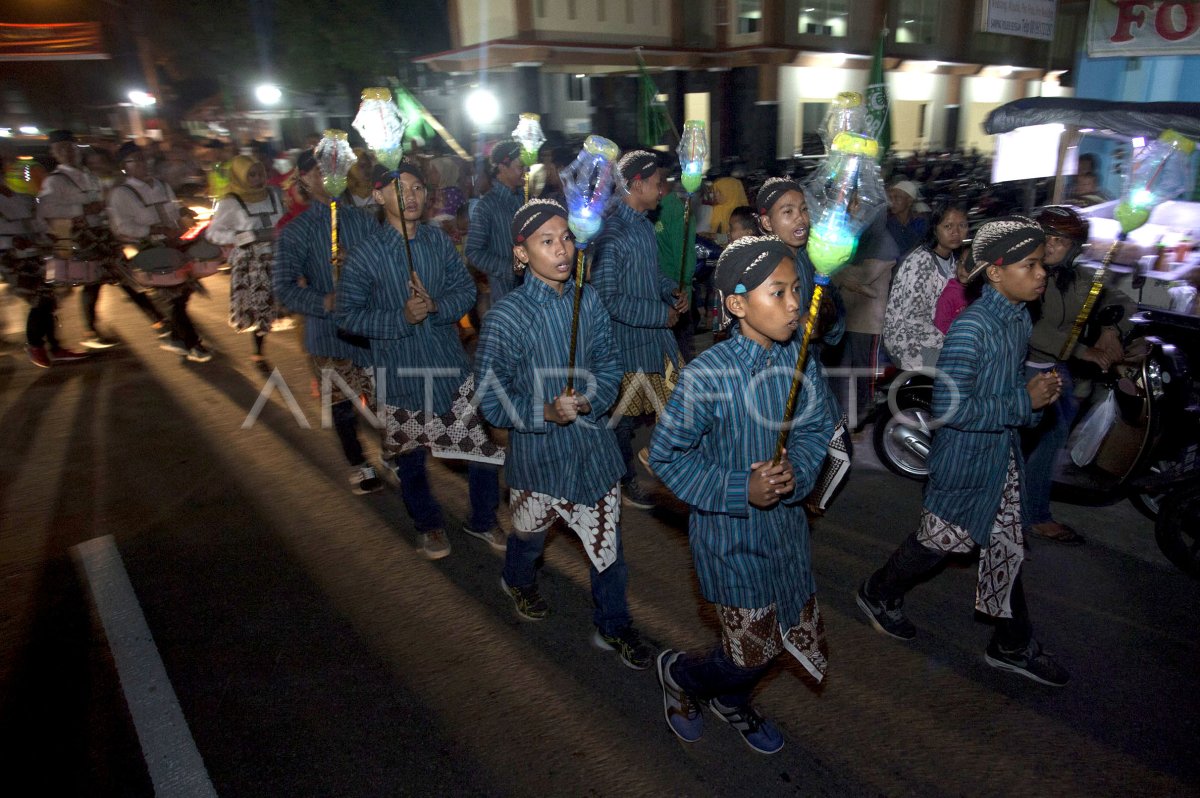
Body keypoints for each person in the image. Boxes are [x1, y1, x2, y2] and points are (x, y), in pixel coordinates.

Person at [857, 216, 1071, 688]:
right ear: (995, 272)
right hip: (966, 462)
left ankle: (1011, 644)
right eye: (1031, 264)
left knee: (1004, 547)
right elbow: (949, 408)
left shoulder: (1016, 319)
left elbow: (1009, 391)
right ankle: (877, 591)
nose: (1042, 274)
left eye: (1042, 264)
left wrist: (1034, 401)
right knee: (938, 543)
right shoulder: (972, 329)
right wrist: (1024, 401)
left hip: (999, 456)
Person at [649, 235, 836, 755]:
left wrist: (796, 470)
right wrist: (741, 487)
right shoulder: (706, 375)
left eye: (797, 289)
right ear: (736, 305)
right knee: (748, 650)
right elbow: (667, 456)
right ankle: (684, 676)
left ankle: (731, 701)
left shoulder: (801, 359)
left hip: (785, 533)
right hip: (730, 538)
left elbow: (816, 426)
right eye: (777, 292)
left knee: (778, 639)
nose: (795, 303)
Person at [473, 198, 652, 669]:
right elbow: (490, 399)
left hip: (594, 455)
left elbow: (610, 366)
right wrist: (547, 412)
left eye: (567, 238)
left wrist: (593, 396)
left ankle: (612, 624)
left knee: (608, 552)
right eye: (546, 241)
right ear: (521, 254)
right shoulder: (505, 318)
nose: (562, 250)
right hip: (540, 463)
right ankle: (517, 580)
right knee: (529, 539)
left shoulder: (587, 300)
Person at [337, 162, 504, 559]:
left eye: (417, 188)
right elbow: (346, 315)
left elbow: (464, 290)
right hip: (400, 373)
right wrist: (400, 317)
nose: (411, 196)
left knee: (481, 451)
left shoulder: (437, 240)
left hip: (449, 366)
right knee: (411, 459)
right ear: (379, 197)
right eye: (400, 189)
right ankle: (428, 525)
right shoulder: (365, 254)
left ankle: (483, 519)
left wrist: (437, 307)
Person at [273, 149, 384, 497]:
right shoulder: (296, 231)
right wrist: (323, 301)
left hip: (370, 329)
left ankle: (393, 449)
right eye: (320, 171)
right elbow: (283, 287)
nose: (329, 176)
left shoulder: (365, 220)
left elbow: (385, 268)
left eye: (335, 169)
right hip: (328, 332)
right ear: (304, 178)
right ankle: (358, 463)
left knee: (383, 396)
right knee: (341, 405)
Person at [1022, 205, 1131, 546]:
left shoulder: (1081, 279)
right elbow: (1029, 328)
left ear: (1074, 248)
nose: (1051, 246)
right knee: (1015, 444)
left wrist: (1110, 327)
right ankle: (1027, 513)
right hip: (1018, 369)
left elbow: (1122, 299)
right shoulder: (1022, 272)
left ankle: (1032, 511)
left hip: (1056, 372)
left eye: (1061, 241)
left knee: (1050, 442)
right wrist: (1083, 351)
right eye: (1046, 238)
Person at [592, 150, 687, 510]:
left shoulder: (644, 226)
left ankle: (664, 464)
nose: (662, 190)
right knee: (624, 421)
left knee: (678, 401)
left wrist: (670, 291)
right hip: (627, 343)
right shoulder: (612, 234)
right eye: (657, 183)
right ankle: (622, 478)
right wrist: (658, 314)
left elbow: (651, 276)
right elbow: (607, 297)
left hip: (655, 340)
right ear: (637, 184)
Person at [756, 176, 848, 514]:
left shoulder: (812, 259)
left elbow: (835, 319)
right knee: (825, 453)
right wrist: (796, 328)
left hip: (811, 373)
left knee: (827, 454)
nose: (800, 219)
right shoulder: (764, 266)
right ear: (767, 222)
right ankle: (802, 506)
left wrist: (826, 324)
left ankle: (803, 505)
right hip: (780, 380)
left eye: (804, 210)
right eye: (788, 211)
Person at [37, 129, 167, 349]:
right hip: (85, 239)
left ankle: (158, 321)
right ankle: (96, 331)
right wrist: (82, 209)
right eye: (60, 149)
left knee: (123, 277)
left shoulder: (88, 175)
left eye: (69, 147)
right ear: (53, 153)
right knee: (94, 283)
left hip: (103, 235)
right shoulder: (55, 181)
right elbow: (46, 208)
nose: (67, 153)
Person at [107, 141, 211, 362]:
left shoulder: (160, 185)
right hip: (149, 248)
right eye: (136, 160)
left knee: (182, 293)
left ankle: (175, 337)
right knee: (174, 295)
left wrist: (183, 214)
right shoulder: (121, 194)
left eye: (144, 158)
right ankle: (193, 344)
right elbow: (121, 227)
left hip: (174, 244)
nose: (143, 163)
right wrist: (152, 229)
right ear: (124, 166)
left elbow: (173, 208)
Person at [0, 154, 89, 368]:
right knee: (40, 299)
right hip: (9, 256)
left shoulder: (19, 195)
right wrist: (12, 240)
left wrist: (44, 235)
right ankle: (35, 345)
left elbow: (36, 220)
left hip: (33, 252)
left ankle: (55, 347)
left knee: (49, 298)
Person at [207, 154, 285, 364]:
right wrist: (244, 237)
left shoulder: (273, 194)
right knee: (259, 306)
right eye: (252, 174)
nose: (259, 178)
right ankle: (258, 349)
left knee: (285, 302)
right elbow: (213, 233)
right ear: (240, 176)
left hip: (279, 256)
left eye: (260, 173)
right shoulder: (230, 202)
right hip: (252, 263)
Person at [883, 199, 969, 371]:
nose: (956, 232)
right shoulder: (921, 262)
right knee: (961, 370)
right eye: (948, 226)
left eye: (962, 225)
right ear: (935, 229)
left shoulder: (955, 261)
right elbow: (914, 320)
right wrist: (951, 342)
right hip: (907, 341)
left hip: (935, 335)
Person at [831, 209, 897, 430]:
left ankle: (863, 418)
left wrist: (838, 271)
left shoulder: (883, 243)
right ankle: (839, 417)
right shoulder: (856, 242)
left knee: (864, 375)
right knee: (840, 372)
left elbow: (861, 277)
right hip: (847, 317)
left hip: (868, 322)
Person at [466, 140, 525, 305]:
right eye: (520, 166)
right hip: (506, 292)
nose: (525, 171)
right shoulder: (487, 206)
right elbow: (473, 252)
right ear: (502, 167)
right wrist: (510, 268)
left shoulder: (526, 198)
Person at [654, 160, 698, 360]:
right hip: (659, 300)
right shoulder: (650, 211)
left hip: (677, 301)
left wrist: (678, 294)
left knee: (681, 361)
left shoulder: (675, 210)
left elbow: (686, 262)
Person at [932, 248, 975, 335]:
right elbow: (940, 325)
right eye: (961, 262)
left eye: (969, 265)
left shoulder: (979, 291)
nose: (963, 268)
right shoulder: (950, 294)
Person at [885, 180, 928, 259]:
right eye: (890, 198)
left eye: (897, 197)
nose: (892, 201)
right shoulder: (885, 224)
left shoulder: (920, 224)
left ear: (909, 200)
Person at [704, 176, 749, 243]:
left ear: (730, 192)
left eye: (719, 191)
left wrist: (712, 236)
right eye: (715, 191)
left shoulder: (742, 213)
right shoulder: (715, 209)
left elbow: (741, 239)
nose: (715, 195)